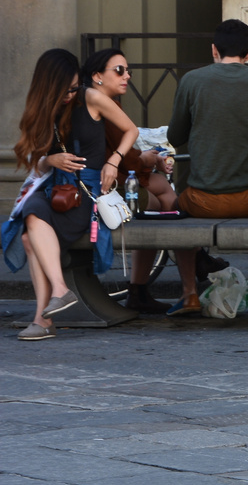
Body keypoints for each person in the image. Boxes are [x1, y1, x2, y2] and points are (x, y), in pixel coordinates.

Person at [166, 20, 248, 317]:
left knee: (176, 211)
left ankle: (190, 294)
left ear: (214, 50)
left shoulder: (192, 81)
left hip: (203, 201)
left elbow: (174, 137)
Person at [3, 51, 102, 337]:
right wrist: (52, 160)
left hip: (82, 195)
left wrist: (114, 161)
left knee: (28, 232)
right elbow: (35, 162)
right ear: (50, 86)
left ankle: (44, 317)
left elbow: (129, 130)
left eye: (74, 87)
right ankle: (51, 305)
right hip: (54, 191)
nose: (71, 94)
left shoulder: (88, 99)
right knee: (29, 221)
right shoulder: (41, 110)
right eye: (66, 89)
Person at [82, 48, 179, 313]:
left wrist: (145, 161)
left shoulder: (106, 101)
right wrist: (146, 160)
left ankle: (143, 289)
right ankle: (145, 286)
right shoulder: (101, 103)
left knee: (163, 192)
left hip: (112, 180)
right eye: (119, 70)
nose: (127, 76)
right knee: (160, 201)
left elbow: (123, 155)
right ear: (97, 76)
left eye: (128, 71)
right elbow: (123, 159)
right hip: (100, 188)